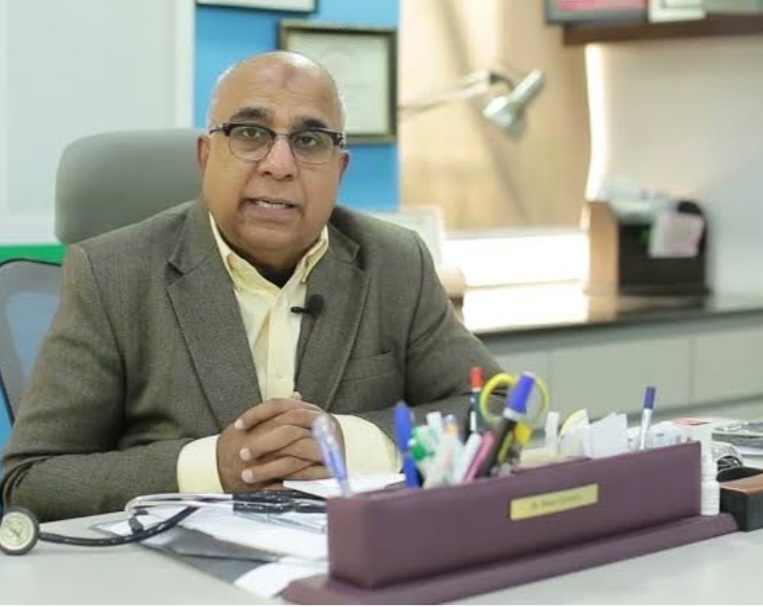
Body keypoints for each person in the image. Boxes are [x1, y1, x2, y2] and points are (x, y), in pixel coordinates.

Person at [1, 51, 502, 521]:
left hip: (348, 557)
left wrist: (354, 444)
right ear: (206, 156)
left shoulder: (394, 261)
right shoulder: (112, 273)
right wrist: (212, 467)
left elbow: (496, 410)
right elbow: (32, 478)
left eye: (309, 141)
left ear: (339, 169)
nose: (278, 165)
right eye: (250, 133)